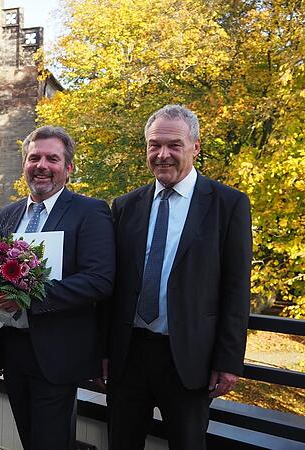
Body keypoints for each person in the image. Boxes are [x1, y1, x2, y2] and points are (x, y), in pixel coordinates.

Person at [106, 105, 251, 449]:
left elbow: (236, 288)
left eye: (174, 145)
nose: (163, 154)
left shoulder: (227, 204)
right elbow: (114, 287)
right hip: (129, 357)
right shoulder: (126, 205)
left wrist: (228, 362)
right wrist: (104, 350)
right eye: (154, 145)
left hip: (190, 360)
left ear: (195, 147)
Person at [0, 126, 115, 450]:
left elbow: (99, 280)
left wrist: (28, 299)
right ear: (24, 165)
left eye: (52, 158)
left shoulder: (90, 211)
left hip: (58, 353)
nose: (42, 165)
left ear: (68, 168)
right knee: (30, 440)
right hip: (14, 350)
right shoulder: (8, 214)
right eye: (34, 157)